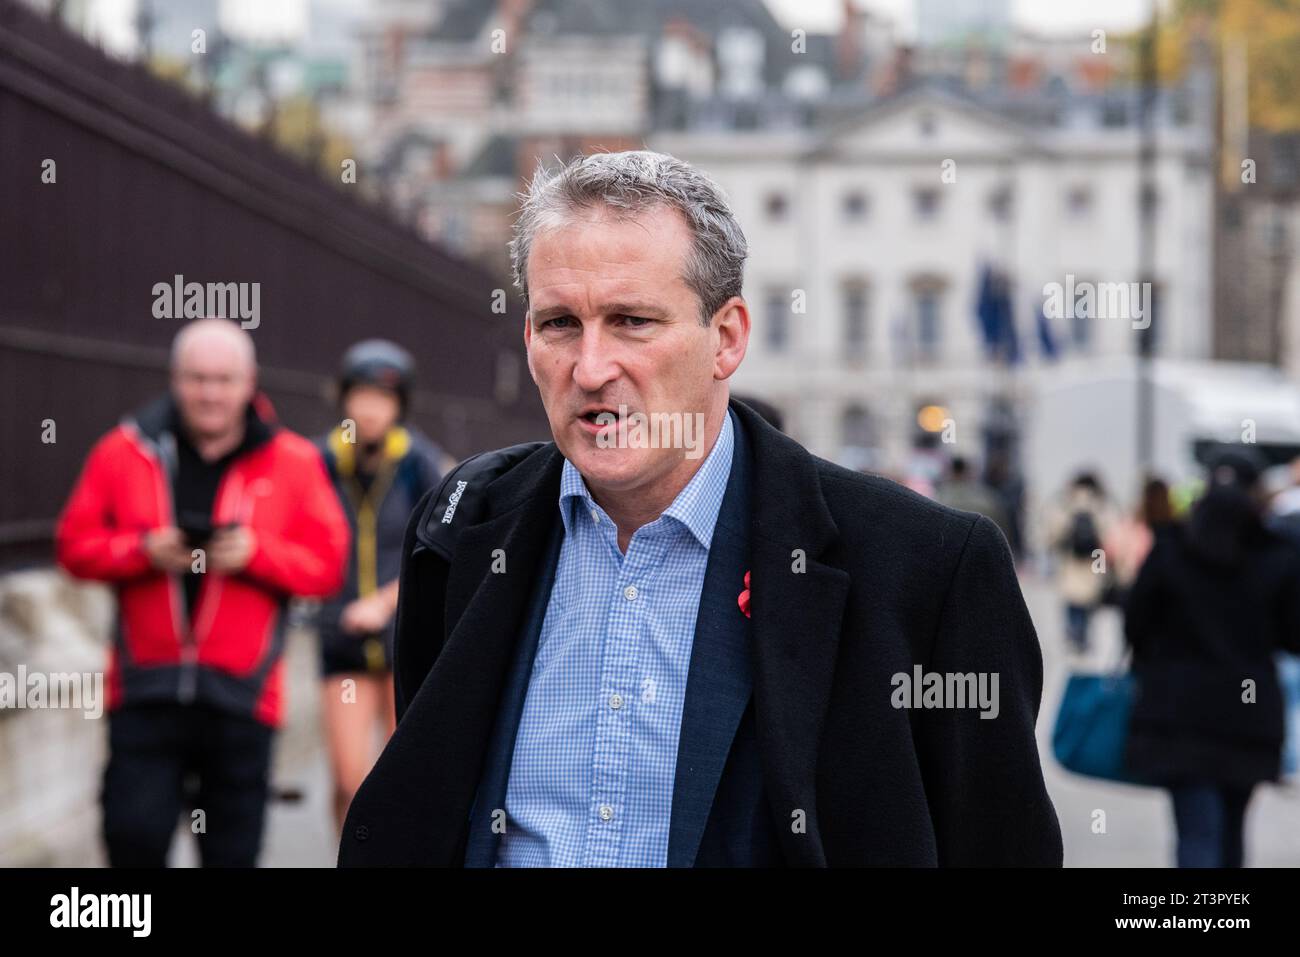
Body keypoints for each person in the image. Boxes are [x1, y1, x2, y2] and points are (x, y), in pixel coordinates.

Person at [339, 150, 1061, 867]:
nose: (591, 368)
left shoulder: (926, 568)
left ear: (728, 337)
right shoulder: (463, 529)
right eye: (561, 323)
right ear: (528, 338)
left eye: (631, 321)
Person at [56, 318, 349, 867]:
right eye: (196, 378)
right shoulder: (125, 450)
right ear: (175, 379)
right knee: (132, 841)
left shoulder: (294, 462)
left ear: (250, 382)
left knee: (231, 854)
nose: (210, 393)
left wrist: (256, 554)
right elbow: (74, 546)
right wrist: (143, 551)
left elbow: (327, 568)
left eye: (223, 379)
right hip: (145, 693)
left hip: (243, 699)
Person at [1123, 450, 1300, 867]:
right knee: (1232, 833)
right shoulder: (1279, 556)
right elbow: (1294, 638)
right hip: (1249, 717)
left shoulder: (1170, 548)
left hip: (1177, 714)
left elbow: (1135, 624)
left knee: (1197, 833)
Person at [315, 340, 444, 832]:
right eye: (361, 397)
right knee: (350, 778)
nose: (370, 410)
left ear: (400, 406)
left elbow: (437, 550)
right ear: (344, 400)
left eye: (383, 399)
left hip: (402, 642)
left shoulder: (419, 463)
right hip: (341, 643)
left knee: (401, 779)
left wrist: (386, 602)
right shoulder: (320, 461)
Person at [1046, 471, 1113, 652]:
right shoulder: (1101, 504)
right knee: (1089, 600)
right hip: (1093, 560)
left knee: (1071, 600)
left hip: (1071, 562)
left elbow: (1053, 534)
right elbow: (1107, 537)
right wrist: (1104, 570)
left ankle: (1073, 636)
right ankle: (1083, 638)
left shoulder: (1067, 503)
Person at [1103, 476, 1175, 606]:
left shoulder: (1129, 526)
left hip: (1133, 588)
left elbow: (1106, 550)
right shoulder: (1175, 531)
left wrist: (1100, 573)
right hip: (1165, 592)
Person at [934, 456, 1011, 544]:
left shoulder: (938, 499)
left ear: (949, 471)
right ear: (969, 471)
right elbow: (1002, 531)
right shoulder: (987, 498)